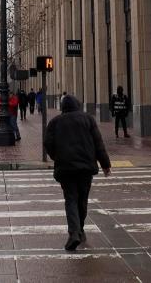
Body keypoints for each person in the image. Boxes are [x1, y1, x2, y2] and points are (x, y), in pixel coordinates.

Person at [43, 94, 111, 252]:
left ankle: (75, 232)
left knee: (71, 199)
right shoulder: (88, 119)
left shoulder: (55, 122)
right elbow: (98, 143)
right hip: (85, 167)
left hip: (66, 167)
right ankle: (79, 229)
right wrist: (105, 164)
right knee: (82, 199)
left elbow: (48, 143)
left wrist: (57, 156)